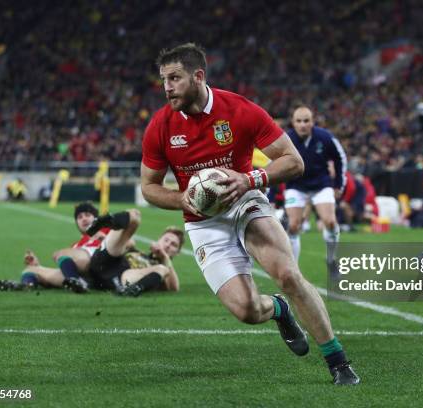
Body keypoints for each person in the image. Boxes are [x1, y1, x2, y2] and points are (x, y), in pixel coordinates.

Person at [139, 43, 359, 385]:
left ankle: (338, 361)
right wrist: (183, 199)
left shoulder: (239, 109)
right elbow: (149, 186)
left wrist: (250, 178)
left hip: (246, 202)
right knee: (247, 311)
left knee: (287, 275)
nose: (167, 87)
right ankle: (279, 310)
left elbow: (292, 161)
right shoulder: (161, 125)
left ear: (198, 77)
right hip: (203, 221)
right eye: (163, 79)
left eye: (175, 78)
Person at [284, 105, 347, 276]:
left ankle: (332, 260)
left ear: (312, 122)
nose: (303, 124)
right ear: (293, 123)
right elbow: (275, 162)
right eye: (299, 121)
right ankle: (294, 270)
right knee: (294, 225)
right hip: (296, 186)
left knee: (330, 222)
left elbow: (340, 157)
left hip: (321, 185)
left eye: (306, 121)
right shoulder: (286, 139)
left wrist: (338, 184)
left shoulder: (325, 137)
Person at [0, 202, 107, 292]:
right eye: (79, 217)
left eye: (87, 215)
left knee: (60, 254)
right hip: (84, 276)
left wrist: (104, 238)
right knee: (31, 269)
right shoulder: (76, 245)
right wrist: (36, 265)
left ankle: (76, 282)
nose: (84, 219)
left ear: (96, 218)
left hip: (102, 270)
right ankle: (27, 286)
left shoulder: (108, 230)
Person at [85, 209, 181, 296]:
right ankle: (103, 222)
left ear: (177, 252)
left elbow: (174, 288)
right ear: (159, 240)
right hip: (106, 261)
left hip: (120, 280)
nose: (168, 245)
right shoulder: (137, 250)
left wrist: (164, 257)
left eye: (173, 244)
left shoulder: (160, 271)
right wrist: (126, 243)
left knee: (162, 269)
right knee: (135, 216)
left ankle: (133, 290)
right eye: (166, 240)